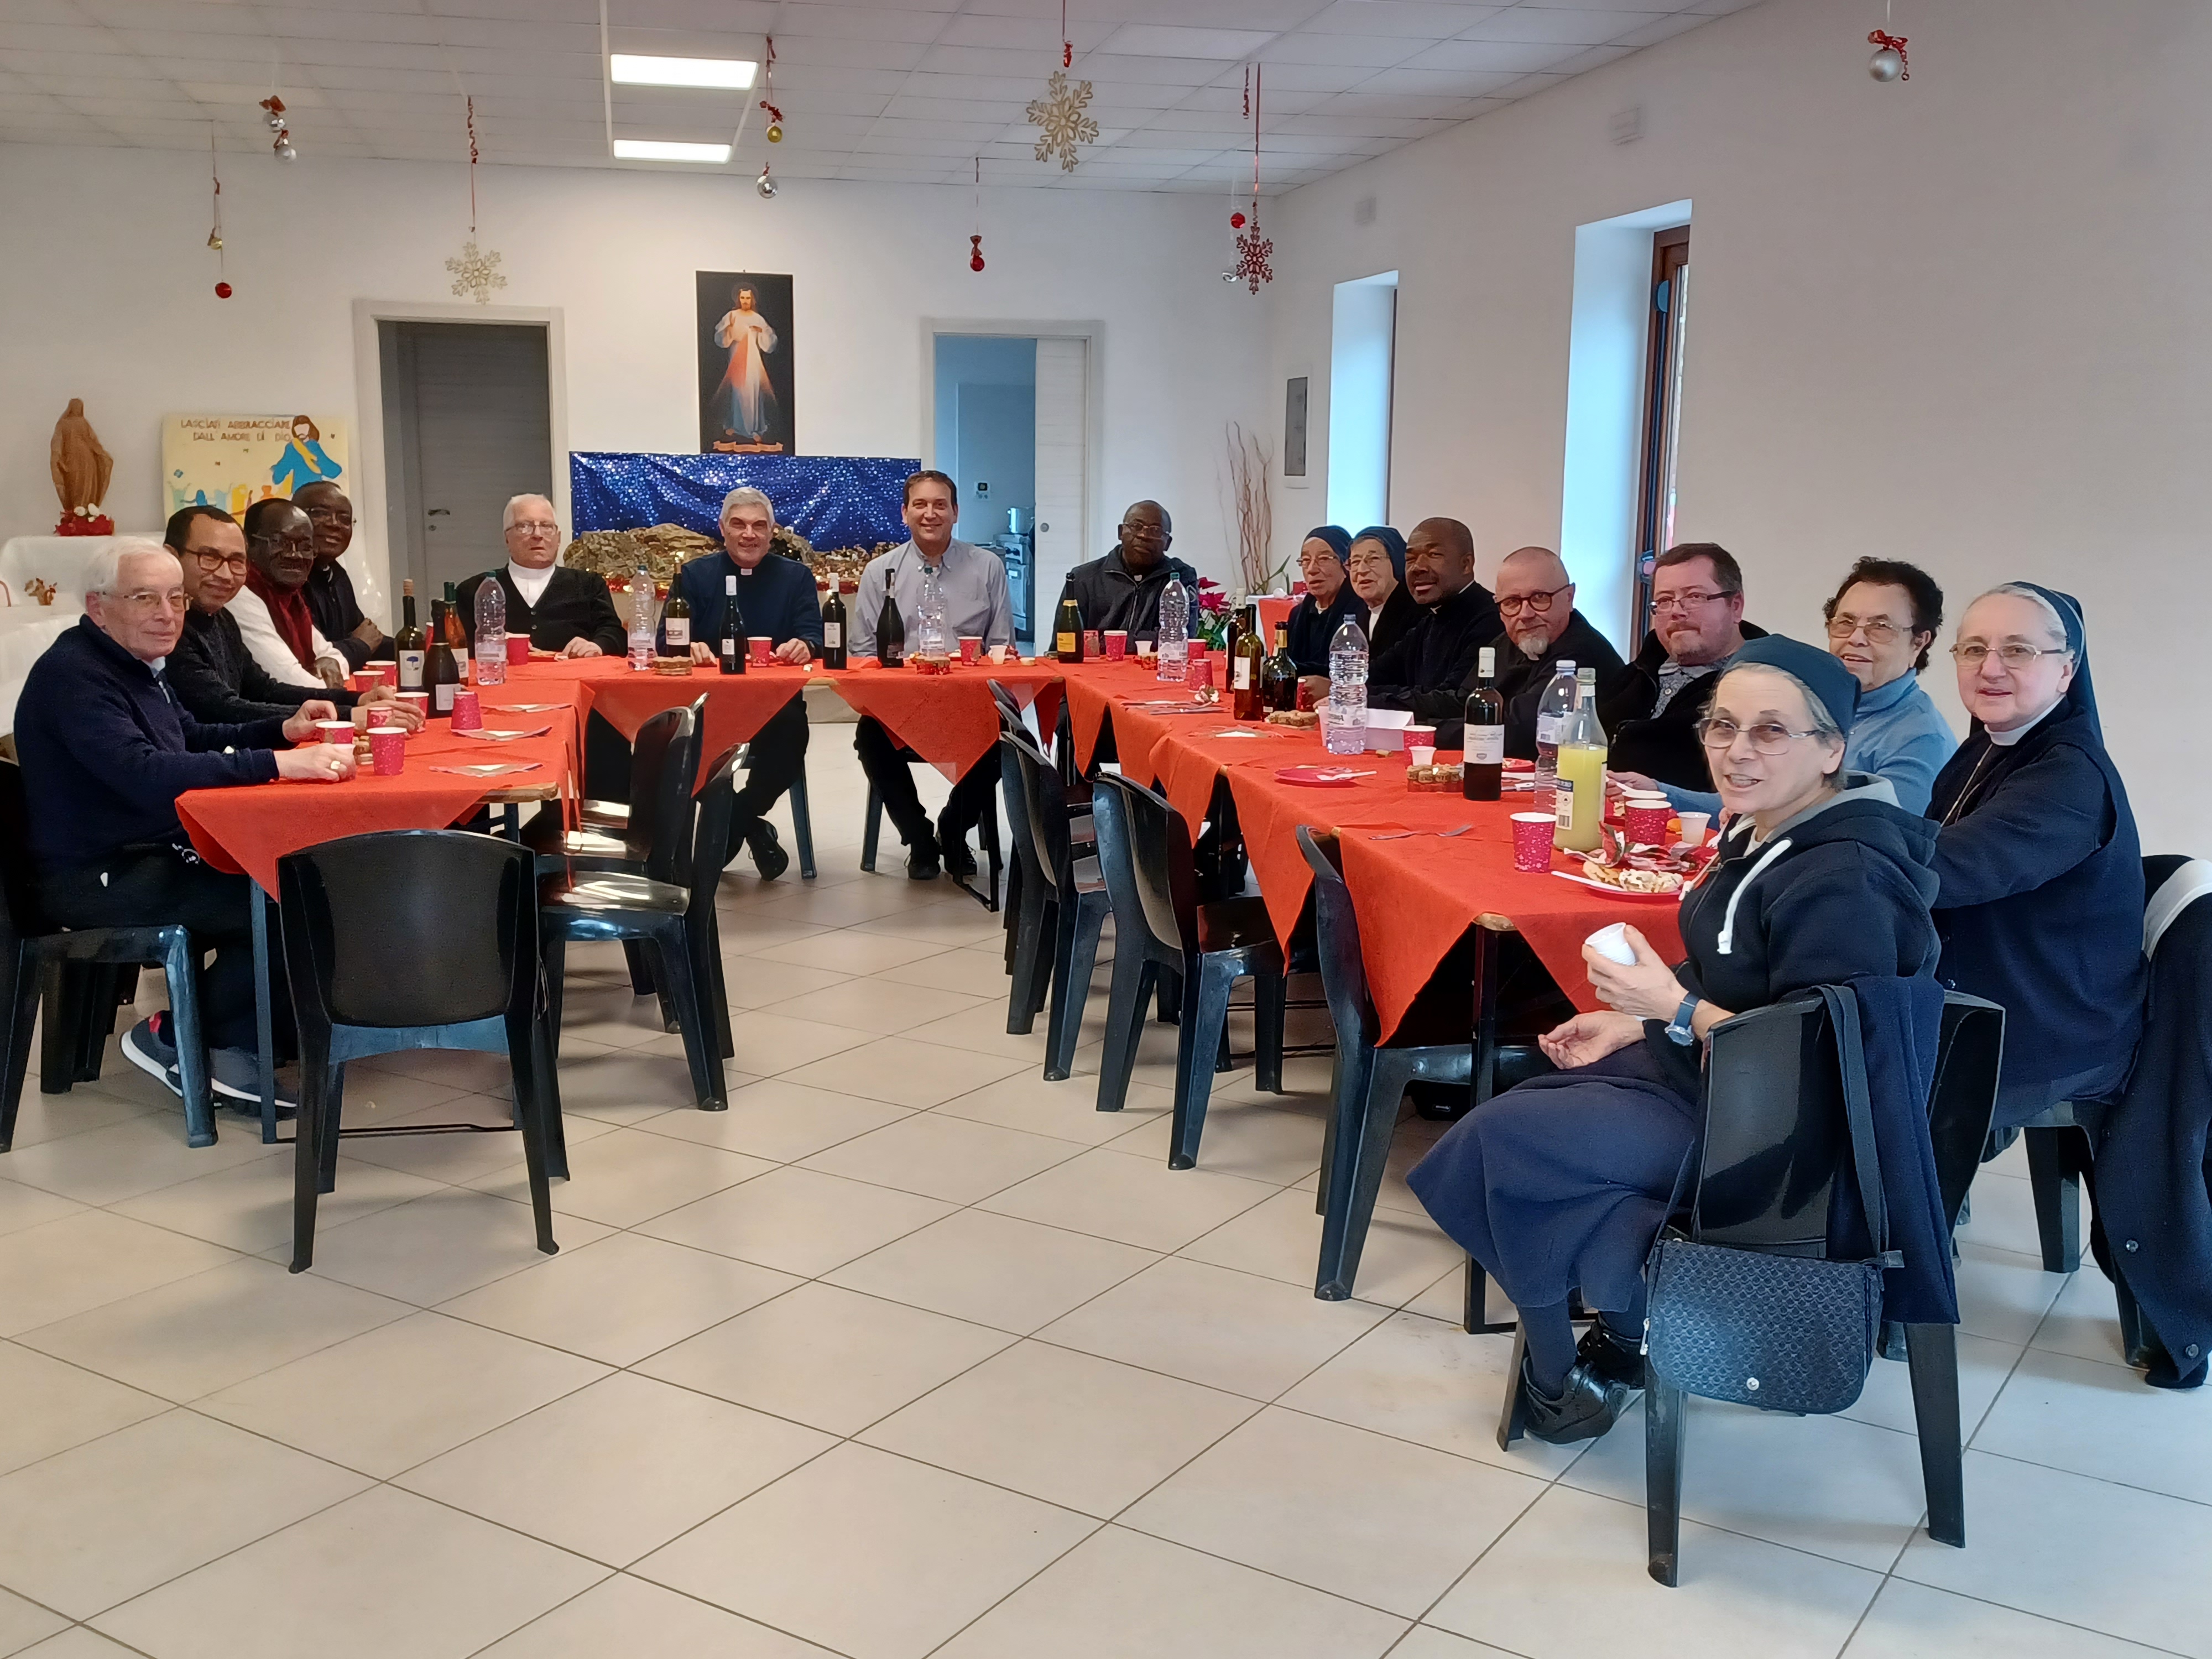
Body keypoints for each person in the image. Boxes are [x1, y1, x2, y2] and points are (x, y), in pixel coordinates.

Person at [1408, 636, 1952, 1443]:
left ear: (1833, 749)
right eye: (1723, 725)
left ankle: (1564, 1374)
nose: (1737, 750)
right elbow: (1734, 978)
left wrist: (1671, 1006)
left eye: (1771, 731)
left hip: (1782, 1145)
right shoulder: (1764, 831)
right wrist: (1636, 1018)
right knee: (1531, 1134)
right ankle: (1615, 1344)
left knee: (1508, 1140)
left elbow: (1824, 1063)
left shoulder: (1849, 878)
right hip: (1712, 1088)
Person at [13, 541, 356, 1110]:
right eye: (145, 598)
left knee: (297, 880)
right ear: (99, 607)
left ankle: (254, 1036)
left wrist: (282, 731)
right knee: (283, 901)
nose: (167, 613)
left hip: (147, 852)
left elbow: (189, 737)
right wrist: (276, 764)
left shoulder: (132, 662)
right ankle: (187, 1040)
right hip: (97, 874)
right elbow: (145, 774)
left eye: (176, 598)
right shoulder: (74, 676)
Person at [1927, 584, 2143, 1132]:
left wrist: (1833, 834)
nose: (1989, 667)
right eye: (1973, 649)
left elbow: (1953, 870)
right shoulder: (1986, 746)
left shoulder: (2068, 775)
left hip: (2048, 1032)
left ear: (2066, 671)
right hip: (1992, 1002)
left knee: (1859, 1096)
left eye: (2017, 650)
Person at [851, 471, 1016, 880]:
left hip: (968, 704)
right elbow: (862, 653)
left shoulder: (987, 567)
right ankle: (920, 840)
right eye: (920, 505)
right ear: (904, 512)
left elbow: (1001, 646)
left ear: (955, 512)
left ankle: (954, 830)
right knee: (870, 738)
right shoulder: (880, 572)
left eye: (940, 505)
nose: (930, 514)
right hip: (901, 705)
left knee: (1007, 740)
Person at [660, 487, 823, 879]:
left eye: (759, 526)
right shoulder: (694, 575)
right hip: (707, 705)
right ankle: (753, 829)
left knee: (792, 737)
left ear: (772, 532)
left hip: (775, 708)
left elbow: (815, 635)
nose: (749, 534)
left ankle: (735, 823)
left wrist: (805, 645)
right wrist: (687, 647)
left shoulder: (796, 577)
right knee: (678, 749)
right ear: (723, 529)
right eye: (739, 525)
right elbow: (665, 640)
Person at [163, 505, 420, 734]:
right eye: (210, 558)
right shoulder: (168, 627)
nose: (226, 575)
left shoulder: (221, 618)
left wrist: (359, 700)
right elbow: (221, 709)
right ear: (171, 557)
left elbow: (264, 689)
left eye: (237, 561)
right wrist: (347, 716)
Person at [1601, 542, 1765, 793]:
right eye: (1665, 601)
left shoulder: (1760, 687)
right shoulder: (1640, 671)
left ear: (1735, 606)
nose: (1676, 612)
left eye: (1694, 597)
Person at [1820, 559, 1957, 815]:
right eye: (1846, 623)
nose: (1856, 639)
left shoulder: (1921, 740)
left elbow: (1882, 831)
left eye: (1881, 627)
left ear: (1918, 643)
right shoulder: (1813, 705)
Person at [1462, 545, 1625, 756]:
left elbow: (1520, 730)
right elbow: (1464, 700)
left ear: (1569, 598)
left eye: (1540, 598)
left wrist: (1433, 731)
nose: (1525, 614)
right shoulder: (1507, 642)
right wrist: (1422, 721)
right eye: (1511, 602)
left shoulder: (1581, 652)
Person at [455, 495, 627, 659]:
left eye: (546, 526)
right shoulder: (473, 590)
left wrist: (597, 646)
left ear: (558, 538)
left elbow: (615, 634)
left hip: (574, 677)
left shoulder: (589, 585)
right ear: (507, 538)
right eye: (524, 526)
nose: (537, 535)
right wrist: (492, 646)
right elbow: (457, 647)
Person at [1365, 517, 1500, 723]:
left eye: (1433, 555)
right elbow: (1376, 672)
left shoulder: (1491, 619)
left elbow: (1455, 700)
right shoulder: (1431, 619)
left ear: (1466, 564)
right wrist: (1343, 686)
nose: (1417, 567)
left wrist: (1366, 698)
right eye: (1410, 559)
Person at [229, 498, 348, 688]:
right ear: (248, 544)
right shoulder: (240, 595)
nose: (295, 555)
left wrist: (330, 662)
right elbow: (290, 679)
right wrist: (325, 679)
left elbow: (334, 656)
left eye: (306, 547)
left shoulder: (292, 597)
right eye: (281, 543)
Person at [1055, 501, 1199, 641]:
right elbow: (1065, 644)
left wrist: (1106, 643)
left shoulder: (1180, 577)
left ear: (1168, 543)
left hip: (1157, 660)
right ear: (1121, 532)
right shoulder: (1083, 579)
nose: (1144, 536)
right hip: (1096, 660)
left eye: (1155, 530)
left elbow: (1182, 636)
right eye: (1136, 526)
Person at [294, 482, 388, 671]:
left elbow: (369, 637)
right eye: (321, 513)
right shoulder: (289, 580)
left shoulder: (336, 575)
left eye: (345, 519)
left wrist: (418, 644)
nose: (334, 524)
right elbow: (313, 659)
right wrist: (360, 644)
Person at [1283, 526, 1363, 676]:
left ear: (1346, 565)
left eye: (1324, 559)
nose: (1312, 569)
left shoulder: (1360, 613)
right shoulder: (1297, 615)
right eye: (1306, 560)